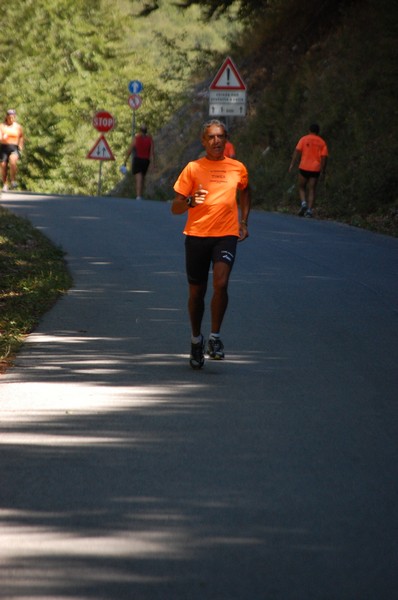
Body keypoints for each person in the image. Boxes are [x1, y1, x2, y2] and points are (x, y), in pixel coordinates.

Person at [171, 119, 251, 370]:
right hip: (196, 235)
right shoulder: (193, 168)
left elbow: (246, 192)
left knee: (221, 282)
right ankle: (196, 339)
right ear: (203, 141)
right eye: (211, 137)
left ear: (227, 139)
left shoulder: (238, 168)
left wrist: (244, 221)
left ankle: (215, 338)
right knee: (196, 293)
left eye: (221, 136)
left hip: (226, 234)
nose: (216, 141)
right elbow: (175, 207)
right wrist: (191, 201)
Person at [289, 123, 328, 217]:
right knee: (312, 189)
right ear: (318, 132)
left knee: (301, 187)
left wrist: (292, 164)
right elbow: (324, 157)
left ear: (309, 130)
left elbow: (297, 151)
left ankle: (303, 203)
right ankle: (309, 210)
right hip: (315, 168)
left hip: (304, 167)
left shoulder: (304, 139)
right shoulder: (322, 142)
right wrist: (323, 170)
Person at [124, 124, 154, 200]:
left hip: (137, 160)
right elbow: (152, 153)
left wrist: (125, 160)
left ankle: (138, 196)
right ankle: (141, 194)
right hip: (146, 161)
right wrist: (152, 164)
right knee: (143, 177)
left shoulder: (136, 138)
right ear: (146, 131)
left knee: (138, 178)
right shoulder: (150, 139)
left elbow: (130, 150)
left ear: (140, 130)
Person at [0, 109, 24, 191]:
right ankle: (5, 184)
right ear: (6, 117)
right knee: (3, 165)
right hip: (4, 147)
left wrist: (20, 146)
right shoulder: (2, 126)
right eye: (9, 117)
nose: (11, 119)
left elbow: (21, 137)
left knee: (13, 161)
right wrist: (2, 137)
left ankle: (13, 180)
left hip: (14, 147)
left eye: (13, 117)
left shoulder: (18, 127)